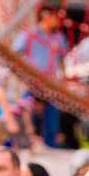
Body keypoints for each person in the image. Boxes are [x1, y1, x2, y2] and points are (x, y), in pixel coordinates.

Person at [15, 10, 71, 147]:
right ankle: (27, 145)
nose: (58, 20)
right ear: (45, 16)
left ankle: (50, 145)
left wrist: (63, 81)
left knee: (52, 116)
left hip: (50, 83)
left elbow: (62, 60)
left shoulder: (58, 38)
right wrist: (22, 78)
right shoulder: (29, 35)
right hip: (31, 83)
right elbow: (16, 54)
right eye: (55, 17)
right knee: (28, 115)